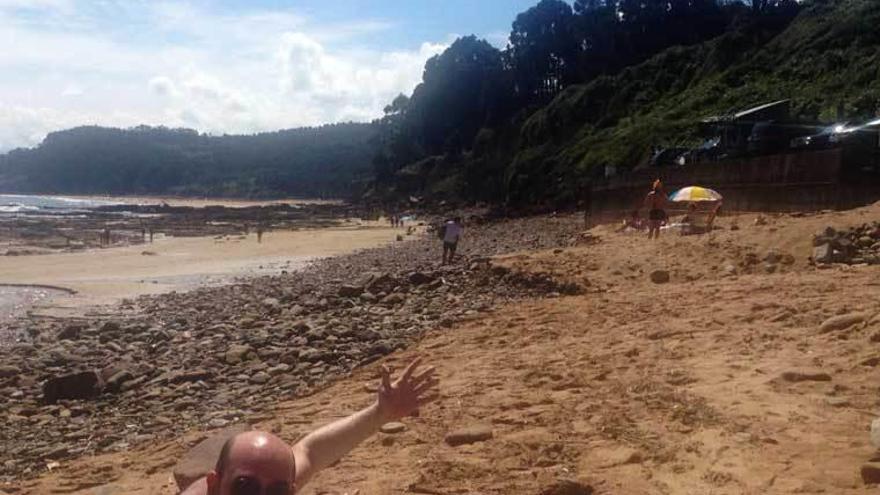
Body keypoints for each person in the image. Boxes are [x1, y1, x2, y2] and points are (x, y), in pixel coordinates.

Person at [181, 358, 438, 495]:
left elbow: (311, 452)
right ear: (214, 486)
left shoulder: (274, 478)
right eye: (245, 488)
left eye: (276, 494)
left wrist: (380, 413)